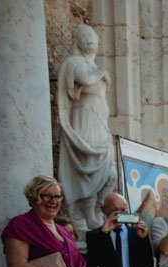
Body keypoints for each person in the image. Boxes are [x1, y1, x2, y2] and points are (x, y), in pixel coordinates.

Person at [56, 24, 116, 234]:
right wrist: (102, 72)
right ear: (78, 41)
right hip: (85, 121)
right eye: (85, 36)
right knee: (87, 169)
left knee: (111, 175)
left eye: (93, 36)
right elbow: (84, 78)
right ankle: (84, 214)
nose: (90, 39)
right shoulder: (74, 63)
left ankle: (97, 210)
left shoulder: (93, 67)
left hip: (100, 123)